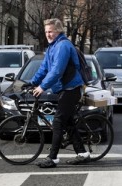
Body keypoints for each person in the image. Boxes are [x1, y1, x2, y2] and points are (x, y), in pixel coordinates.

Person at [28, 18, 89, 168]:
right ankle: (83, 153)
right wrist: (31, 82)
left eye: (51, 31)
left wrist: (42, 87)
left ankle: (53, 157)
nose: (48, 34)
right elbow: (44, 68)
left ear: (59, 31)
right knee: (67, 123)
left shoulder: (63, 46)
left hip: (72, 89)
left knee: (58, 122)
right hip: (64, 89)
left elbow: (57, 71)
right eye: (46, 32)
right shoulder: (52, 47)